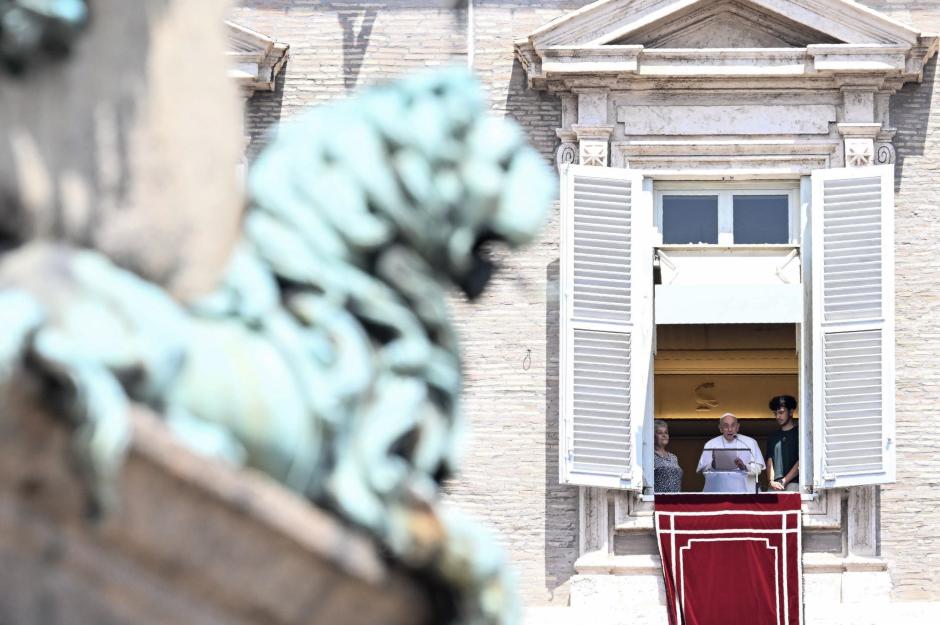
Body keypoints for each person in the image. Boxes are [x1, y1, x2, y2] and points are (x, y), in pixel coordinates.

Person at [696, 413, 764, 493]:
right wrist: (713, 465)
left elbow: (758, 469)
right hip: (719, 491)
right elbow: (703, 470)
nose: (730, 429)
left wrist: (744, 467)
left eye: (733, 425)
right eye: (725, 426)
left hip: (745, 493)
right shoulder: (711, 444)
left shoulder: (750, 442)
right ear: (720, 428)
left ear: (738, 427)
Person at [766, 395, 799, 491]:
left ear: (791, 412)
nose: (777, 416)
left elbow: (802, 462)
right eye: (775, 413)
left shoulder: (800, 434)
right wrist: (771, 482)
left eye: (781, 412)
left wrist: (784, 480)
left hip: (794, 483)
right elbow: (769, 462)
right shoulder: (773, 437)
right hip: (775, 485)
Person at [653, 419, 683, 493]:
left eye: (666, 432)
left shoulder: (673, 457)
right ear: (653, 436)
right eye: (660, 433)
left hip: (675, 500)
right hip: (659, 500)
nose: (664, 435)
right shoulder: (650, 456)